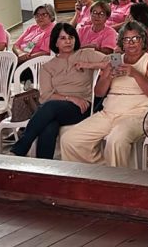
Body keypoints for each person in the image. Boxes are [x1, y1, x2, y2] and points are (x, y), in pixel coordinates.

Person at [60, 21, 148, 167]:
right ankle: (101, 172)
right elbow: (99, 92)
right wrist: (108, 76)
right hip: (109, 113)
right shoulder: (115, 60)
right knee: (70, 139)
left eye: (135, 38)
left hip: (138, 114)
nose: (131, 43)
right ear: (122, 42)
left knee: (116, 140)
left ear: (143, 40)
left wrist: (134, 73)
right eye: (126, 39)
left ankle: (117, 177)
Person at [11, 23, 106, 159]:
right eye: (63, 38)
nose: (68, 41)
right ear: (55, 42)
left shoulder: (86, 54)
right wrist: (71, 98)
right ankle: (45, 167)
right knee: (49, 126)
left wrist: (89, 65)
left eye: (71, 37)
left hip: (82, 107)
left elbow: (114, 61)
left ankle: (21, 147)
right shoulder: (47, 67)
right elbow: (45, 96)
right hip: (57, 107)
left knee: (49, 108)